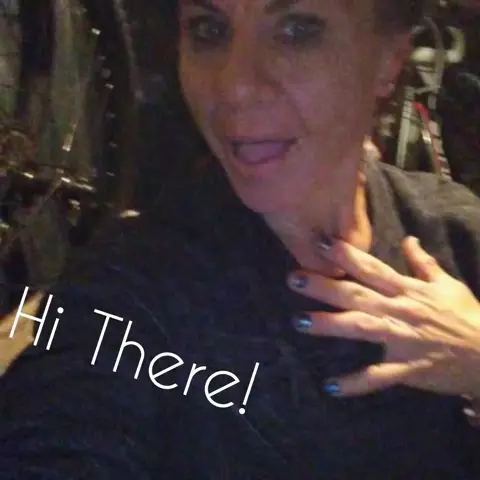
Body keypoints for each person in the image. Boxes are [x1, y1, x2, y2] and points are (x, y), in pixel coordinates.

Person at [1, 0, 480, 478]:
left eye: (297, 29)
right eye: (208, 30)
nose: (234, 86)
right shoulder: (132, 290)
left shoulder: (455, 232)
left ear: (389, 59)